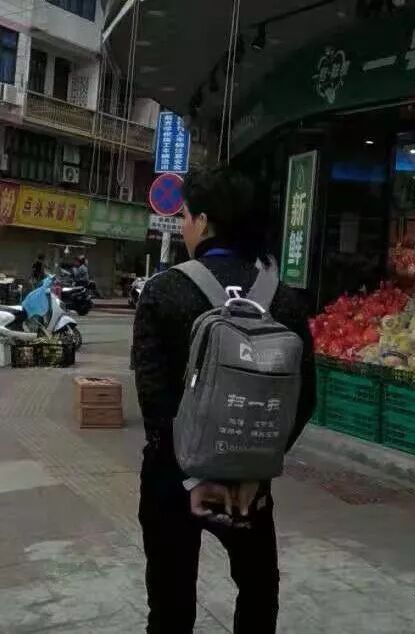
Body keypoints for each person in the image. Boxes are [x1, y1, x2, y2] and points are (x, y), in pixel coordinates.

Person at [132, 167, 316, 634]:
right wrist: (253, 467)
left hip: (174, 480)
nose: (184, 226)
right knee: (257, 592)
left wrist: (194, 476)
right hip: (249, 484)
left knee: (170, 604)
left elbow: (155, 401)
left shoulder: (164, 290)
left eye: (185, 216)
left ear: (204, 221)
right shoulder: (283, 299)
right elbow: (304, 398)